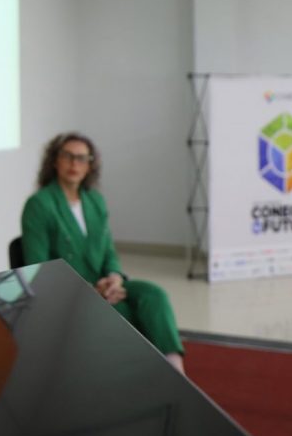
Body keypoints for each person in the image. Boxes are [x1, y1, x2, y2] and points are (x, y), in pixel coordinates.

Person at [20, 132, 185, 374]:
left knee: (154, 296)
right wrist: (90, 291)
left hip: (105, 285)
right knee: (124, 311)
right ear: (55, 161)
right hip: (71, 296)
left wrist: (114, 278)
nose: (74, 164)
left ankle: (176, 369)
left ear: (90, 165)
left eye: (81, 158)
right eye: (67, 156)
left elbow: (108, 251)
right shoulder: (39, 204)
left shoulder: (95, 200)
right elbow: (40, 270)